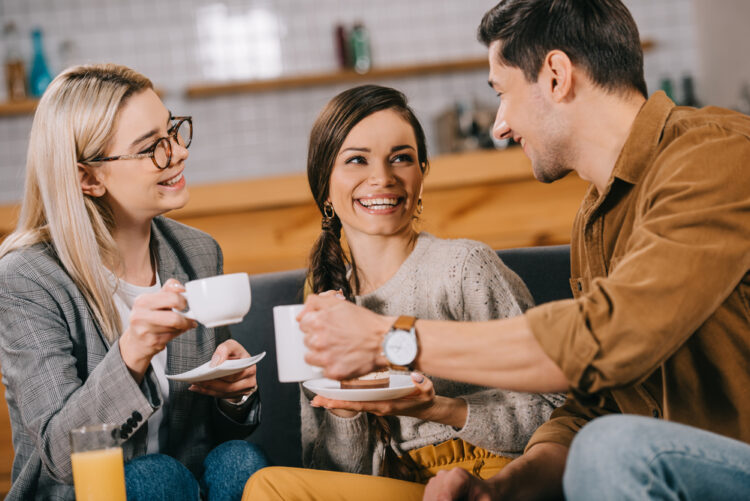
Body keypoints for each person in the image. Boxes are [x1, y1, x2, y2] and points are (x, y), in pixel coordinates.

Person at [291, 1, 750, 499]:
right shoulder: (596, 217)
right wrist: (501, 489)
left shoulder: (713, 155)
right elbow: (592, 407)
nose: (500, 126)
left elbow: (611, 336)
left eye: (502, 93)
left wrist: (389, 339)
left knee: (611, 447)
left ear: (555, 76)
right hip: (678, 467)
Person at [243, 85, 562, 499]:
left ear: (422, 174)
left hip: (486, 477)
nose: (382, 177)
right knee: (267, 486)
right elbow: (332, 472)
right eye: (357, 160)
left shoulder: (464, 267)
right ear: (324, 184)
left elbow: (554, 413)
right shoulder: (322, 297)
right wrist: (342, 410)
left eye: (401, 158)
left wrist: (438, 409)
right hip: (396, 487)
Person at [0, 64, 268, 501]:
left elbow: (207, 438)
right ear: (88, 178)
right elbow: (62, 457)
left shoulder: (198, 253)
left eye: (173, 132)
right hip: (88, 493)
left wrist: (231, 397)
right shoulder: (28, 278)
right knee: (153, 477)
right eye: (151, 148)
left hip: (182, 486)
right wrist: (131, 355)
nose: (177, 153)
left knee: (241, 461)